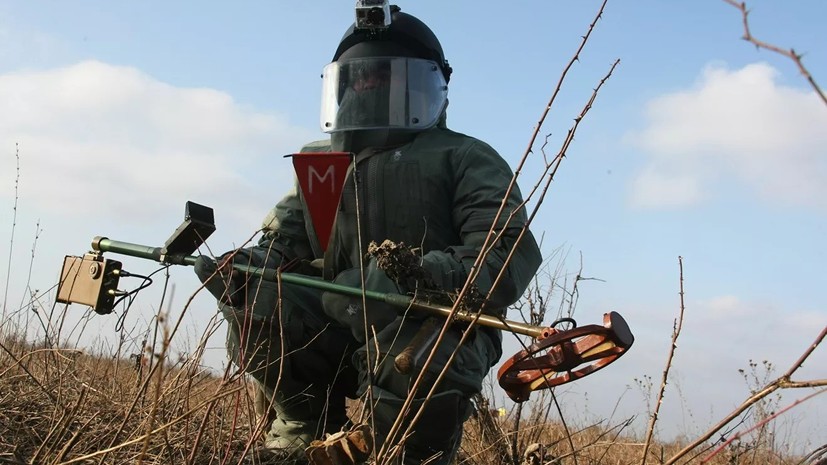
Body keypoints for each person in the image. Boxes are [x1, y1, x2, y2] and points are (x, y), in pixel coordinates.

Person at [195, 5, 542, 464]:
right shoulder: (321, 163)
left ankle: (399, 451)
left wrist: (418, 275)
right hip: (335, 318)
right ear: (342, 84)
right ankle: (301, 435)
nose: (371, 86)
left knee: (420, 356)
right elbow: (285, 242)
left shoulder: (465, 157)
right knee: (258, 296)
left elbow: (505, 253)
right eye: (361, 77)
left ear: (423, 86)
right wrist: (249, 268)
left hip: (431, 321)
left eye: (386, 76)